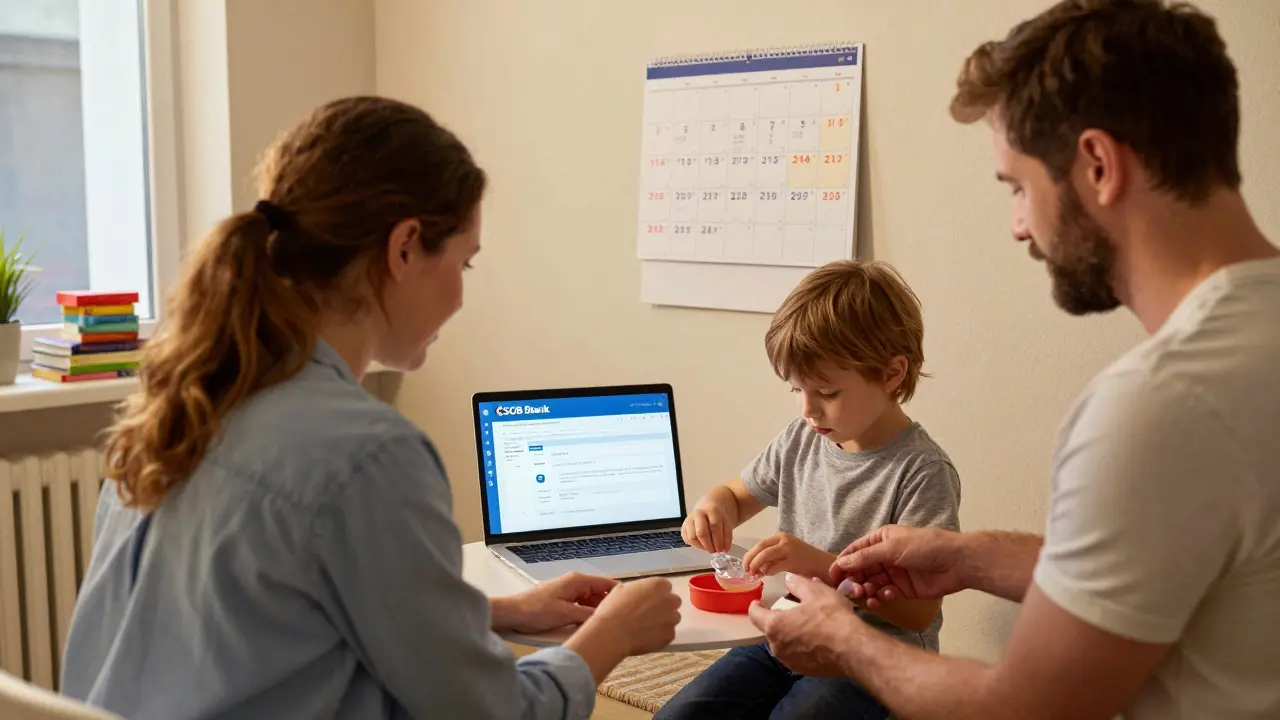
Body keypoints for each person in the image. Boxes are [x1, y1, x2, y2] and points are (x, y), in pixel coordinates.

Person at [59, 96, 682, 719]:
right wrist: (615, 634)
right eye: (464, 262)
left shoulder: (181, 408)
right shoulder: (368, 453)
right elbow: (493, 713)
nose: (463, 295)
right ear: (405, 246)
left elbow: (269, 619)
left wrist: (493, 613)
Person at [747, 1, 1280, 718]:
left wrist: (844, 641)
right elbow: (1195, 568)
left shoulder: (1164, 403)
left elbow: (1023, 706)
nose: (1019, 226)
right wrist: (969, 557)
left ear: (1097, 164)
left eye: (1018, 187)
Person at [658, 260, 962, 719]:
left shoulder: (922, 471)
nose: (808, 409)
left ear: (892, 373)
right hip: (788, 637)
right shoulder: (802, 438)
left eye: (827, 392)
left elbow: (919, 611)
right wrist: (715, 504)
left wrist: (824, 567)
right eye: (797, 389)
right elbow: (737, 495)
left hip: (875, 662)